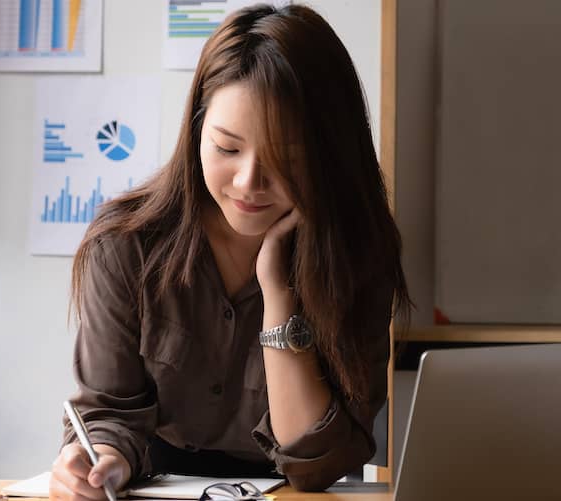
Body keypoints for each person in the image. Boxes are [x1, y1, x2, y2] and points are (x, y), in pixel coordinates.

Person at [49, 4, 410, 499]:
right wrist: (100, 460)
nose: (249, 183)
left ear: (330, 153)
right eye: (226, 148)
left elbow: (317, 466)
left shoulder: (359, 257)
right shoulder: (127, 246)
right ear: (198, 128)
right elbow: (108, 412)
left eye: (285, 158)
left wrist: (278, 293)